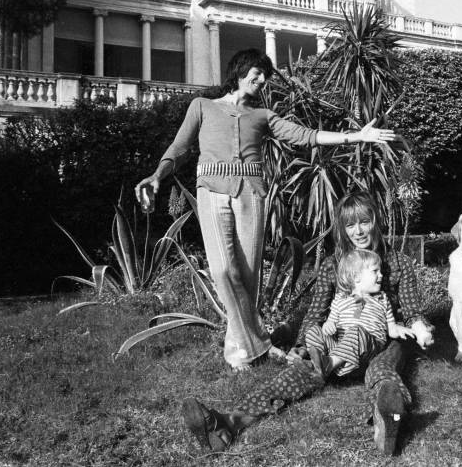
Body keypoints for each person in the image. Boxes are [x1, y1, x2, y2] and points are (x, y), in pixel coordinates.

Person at [134, 49, 396, 371]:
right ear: (239, 72)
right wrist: (157, 175)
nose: (260, 81)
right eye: (255, 74)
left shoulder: (262, 116)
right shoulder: (202, 106)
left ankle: (238, 349)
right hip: (212, 192)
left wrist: (355, 136)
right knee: (222, 272)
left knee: (248, 276)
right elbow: (180, 147)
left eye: (264, 78)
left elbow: (304, 136)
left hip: (252, 195)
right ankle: (260, 344)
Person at [181, 192, 435, 455]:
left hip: (383, 340)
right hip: (340, 343)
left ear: (376, 221)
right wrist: (302, 344)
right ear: (342, 229)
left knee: (383, 368)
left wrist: (419, 327)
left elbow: (412, 309)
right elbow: (317, 310)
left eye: (364, 222)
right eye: (350, 225)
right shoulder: (332, 265)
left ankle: (388, 419)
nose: (358, 231)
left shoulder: (398, 263)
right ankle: (228, 424)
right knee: (302, 371)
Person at [304, 248, 415, 378]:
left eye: (380, 271)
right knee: (313, 330)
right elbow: (331, 322)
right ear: (356, 277)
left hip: (368, 348)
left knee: (356, 331)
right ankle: (318, 365)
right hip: (341, 345)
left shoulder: (382, 299)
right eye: (375, 271)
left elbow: (391, 329)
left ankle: (328, 365)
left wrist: (403, 329)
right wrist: (328, 325)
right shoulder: (341, 298)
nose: (381, 275)